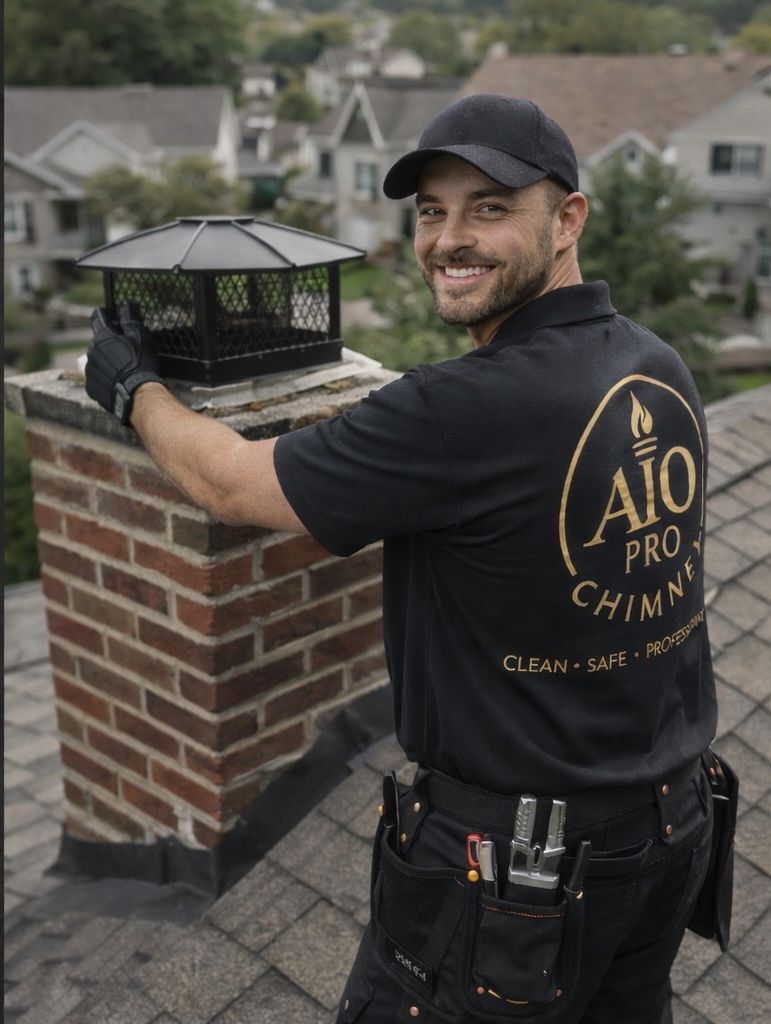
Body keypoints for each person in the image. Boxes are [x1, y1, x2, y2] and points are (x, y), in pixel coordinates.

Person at [86, 94, 718, 1024]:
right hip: (670, 827)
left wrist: (134, 387)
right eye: (431, 211)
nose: (448, 239)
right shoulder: (654, 365)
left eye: (489, 208)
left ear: (567, 219)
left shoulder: (461, 408)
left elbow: (232, 485)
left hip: (520, 874)